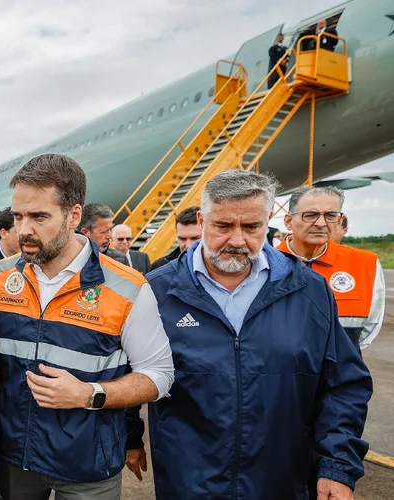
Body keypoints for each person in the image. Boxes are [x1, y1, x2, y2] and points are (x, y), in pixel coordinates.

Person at [145, 169, 372, 500]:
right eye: (223, 226)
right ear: (202, 220)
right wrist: (131, 437)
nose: (237, 240)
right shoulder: (157, 290)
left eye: (251, 227)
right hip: (189, 481)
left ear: (268, 221)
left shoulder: (309, 290)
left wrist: (337, 467)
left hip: (282, 480)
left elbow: (343, 385)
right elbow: (131, 373)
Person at [0, 154, 174, 499]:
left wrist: (91, 394)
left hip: (88, 465)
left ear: (74, 215)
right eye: (18, 216)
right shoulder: (0, 276)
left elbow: (159, 375)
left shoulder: (127, 287)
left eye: (39, 216)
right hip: (15, 460)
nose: (24, 229)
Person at [277, 187, 384, 349]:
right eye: (310, 215)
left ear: (339, 220)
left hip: (339, 369)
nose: (321, 223)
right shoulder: (264, 264)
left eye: (330, 215)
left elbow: (370, 325)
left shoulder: (365, 263)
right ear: (288, 221)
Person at [149, 206, 201, 271]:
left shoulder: (217, 267)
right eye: (182, 239)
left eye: (195, 238)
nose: (188, 245)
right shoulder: (159, 268)